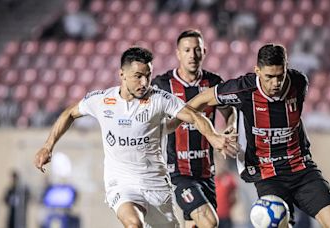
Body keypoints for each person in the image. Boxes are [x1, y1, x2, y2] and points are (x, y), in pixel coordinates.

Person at [34, 47, 238, 228]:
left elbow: (193, 116)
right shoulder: (103, 100)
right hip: (121, 183)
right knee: (134, 223)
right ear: (122, 74)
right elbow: (70, 112)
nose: (144, 82)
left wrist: (212, 136)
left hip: (156, 185)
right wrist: (47, 146)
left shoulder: (159, 98)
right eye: (138, 76)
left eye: (148, 76)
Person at [186, 43, 330, 227]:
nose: (275, 83)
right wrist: (211, 135)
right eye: (269, 77)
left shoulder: (299, 83)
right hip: (267, 175)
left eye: (280, 76)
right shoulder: (243, 89)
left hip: (302, 169)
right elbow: (198, 102)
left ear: (286, 69)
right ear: (257, 71)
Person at [151, 29, 237, 228]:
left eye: (197, 50)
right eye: (187, 50)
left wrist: (230, 127)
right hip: (177, 172)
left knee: (194, 225)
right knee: (208, 221)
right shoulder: (162, 85)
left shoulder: (214, 83)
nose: (192, 55)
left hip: (206, 171)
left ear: (204, 52)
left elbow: (229, 111)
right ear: (178, 53)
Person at [214, 155, 237, 228]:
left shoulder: (229, 178)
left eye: (223, 163)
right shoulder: (210, 179)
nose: (221, 165)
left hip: (225, 217)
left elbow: (235, 197)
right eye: (218, 163)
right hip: (213, 216)